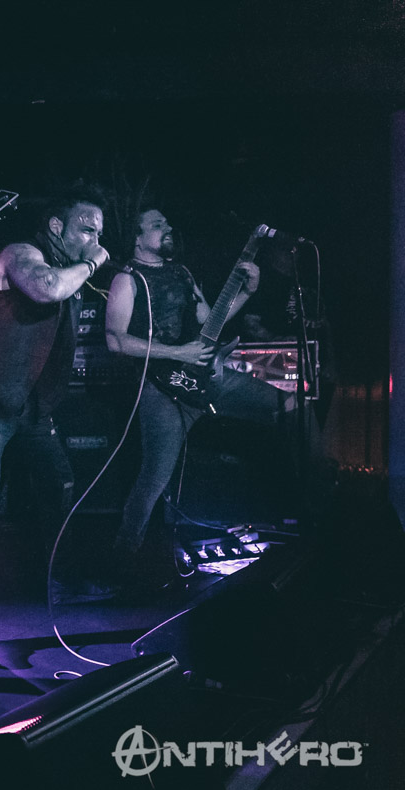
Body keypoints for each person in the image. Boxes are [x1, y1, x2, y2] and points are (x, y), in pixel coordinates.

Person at [0, 187, 108, 658]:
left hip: (28, 405)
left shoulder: (66, 270)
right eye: (86, 230)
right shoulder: (21, 253)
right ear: (56, 227)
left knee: (59, 480)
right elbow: (46, 287)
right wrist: (92, 263)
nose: (95, 241)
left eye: (99, 234)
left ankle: (57, 580)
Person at [104, 207, 291, 582]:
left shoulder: (182, 273)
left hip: (206, 377)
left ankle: (310, 504)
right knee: (154, 479)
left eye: (167, 222)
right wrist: (179, 352)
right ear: (137, 238)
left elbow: (209, 320)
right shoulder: (127, 279)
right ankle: (120, 565)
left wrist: (248, 292)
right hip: (161, 388)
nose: (167, 227)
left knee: (289, 404)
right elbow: (116, 340)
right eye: (157, 224)